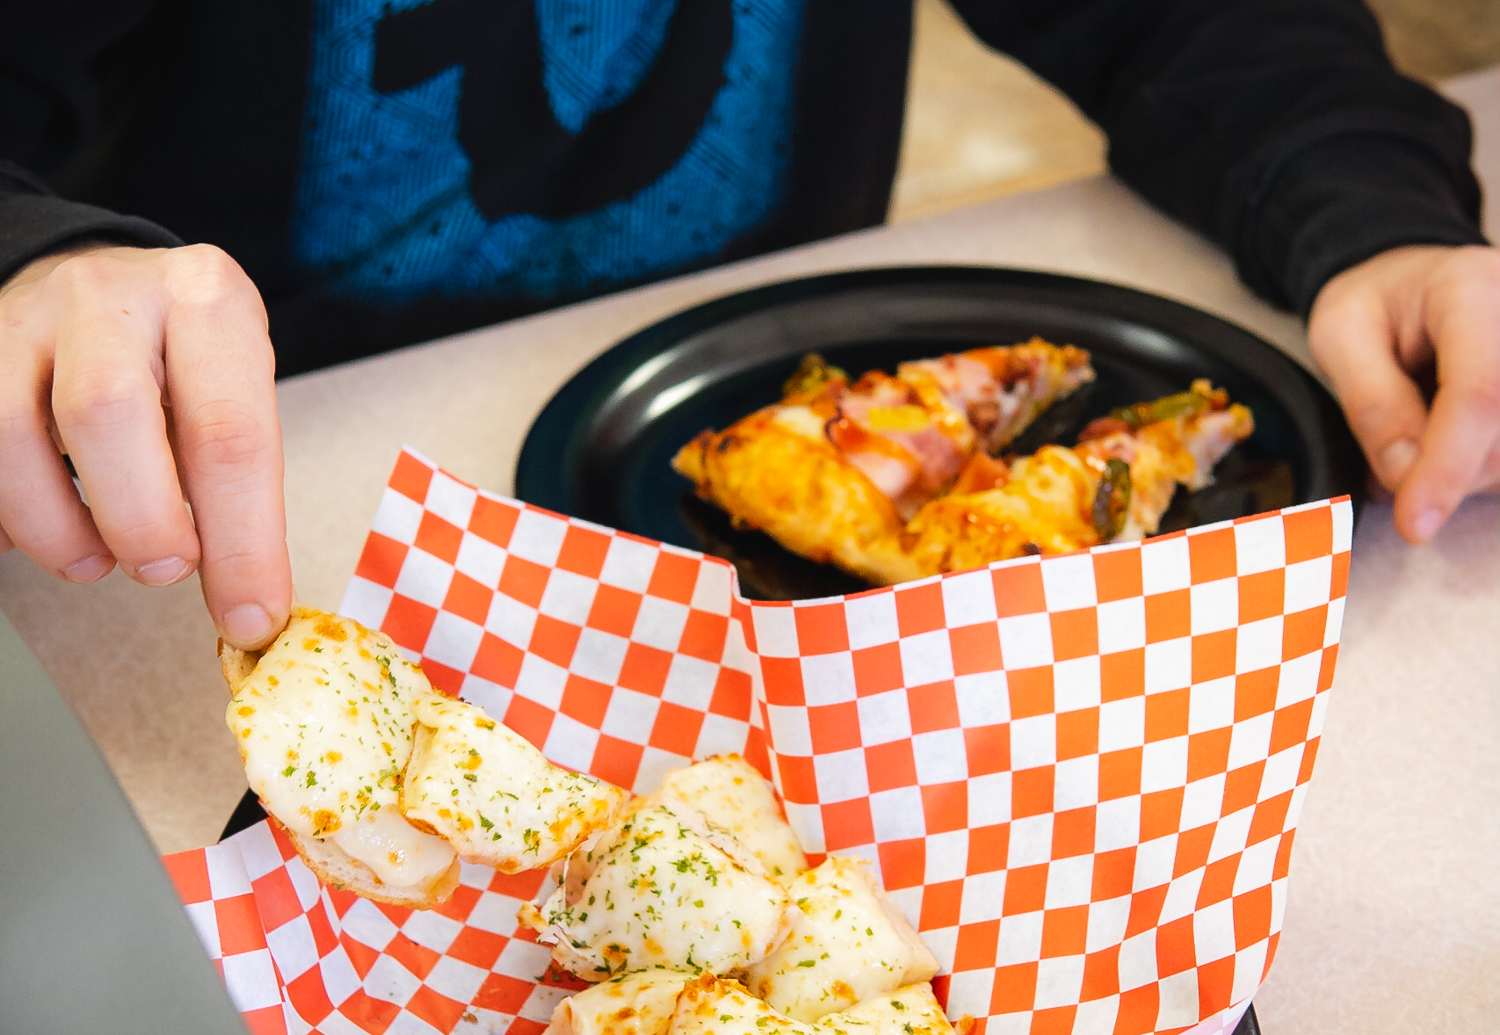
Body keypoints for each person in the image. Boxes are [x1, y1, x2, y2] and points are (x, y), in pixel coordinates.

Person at [0, 0, 1492, 651]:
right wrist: (35, 258)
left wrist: (1374, 212)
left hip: (772, 499)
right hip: (251, 492)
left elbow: (1190, 20)